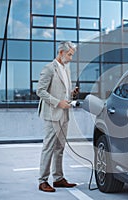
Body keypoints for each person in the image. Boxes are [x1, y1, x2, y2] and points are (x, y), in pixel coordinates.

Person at [36, 41, 79, 192]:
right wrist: (58, 103)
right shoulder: (49, 68)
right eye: (69, 54)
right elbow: (40, 91)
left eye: (72, 55)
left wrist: (72, 93)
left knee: (60, 148)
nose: (71, 58)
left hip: (64, 114)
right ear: (61, 52)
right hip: (52, 114)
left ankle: (58, 178)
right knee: (48, 147)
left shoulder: (66, 69)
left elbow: (62, 91)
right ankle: (42, 181)